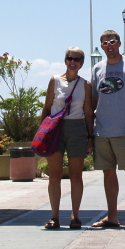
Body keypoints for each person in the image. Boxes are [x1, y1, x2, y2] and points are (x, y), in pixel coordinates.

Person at [90, 30, 125, 229]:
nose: (109, 45)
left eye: (112, 41)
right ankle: (112, 217)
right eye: (105, 43)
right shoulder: (97, 68)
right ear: (102, 46)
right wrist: (91, 131)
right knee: (108, 173)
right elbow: (93, 100)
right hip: (102, 132)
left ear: (119, 43)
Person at [39, 47, 94, 230]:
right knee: (54, 175)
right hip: (55, 128)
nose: (73, 61)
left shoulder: (85, 85)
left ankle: (75, 216)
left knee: (75, 175)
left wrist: (90, 137)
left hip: (77, 128)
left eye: (77, 59)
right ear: (65, 60)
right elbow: (47, 107)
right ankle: (54, 216)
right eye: (70, 58)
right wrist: (41, 135)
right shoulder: (54, 81)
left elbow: (88, 112)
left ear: (81, 63)